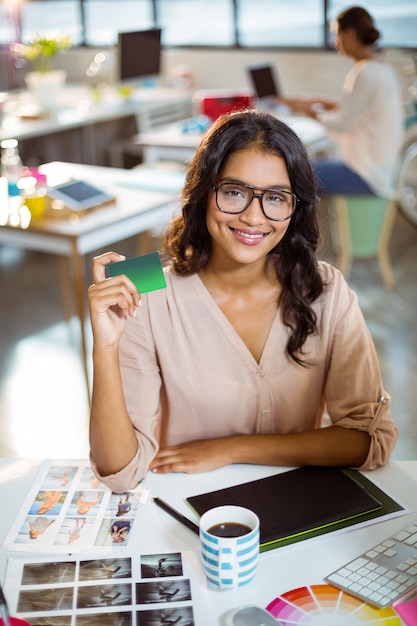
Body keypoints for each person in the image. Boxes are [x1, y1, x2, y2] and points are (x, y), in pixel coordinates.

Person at [87, 108, 398, 494]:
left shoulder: (326, 289)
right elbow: (119, 471)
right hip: (187, 507)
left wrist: (231, 449)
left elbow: (370, 440)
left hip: (298, 509)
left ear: (294, 207)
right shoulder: (146, 292)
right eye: (234, 192)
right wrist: (105, 344)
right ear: (203, 195)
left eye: (276, 197)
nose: (253, 217)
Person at [291, 6, 403, 199]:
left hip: (366, 175)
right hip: (382, 170)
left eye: (336, 35)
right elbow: (358, 111)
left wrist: (308, 112)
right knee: (309, 163)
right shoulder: (382, 68)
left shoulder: (365, 73)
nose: (335, 43)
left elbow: (342, 124)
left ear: (350, 33)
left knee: (294, 172)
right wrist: (322, 103)